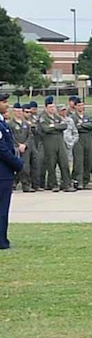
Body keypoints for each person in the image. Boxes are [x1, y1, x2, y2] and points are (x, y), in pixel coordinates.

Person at [0, 93, 19, 249]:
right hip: (2, 173)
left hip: (4, 172)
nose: (7, 104)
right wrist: (18, 164)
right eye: (4, 102)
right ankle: (1, 242)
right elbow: (2, 150)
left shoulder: (2, 122)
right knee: (2, 209)